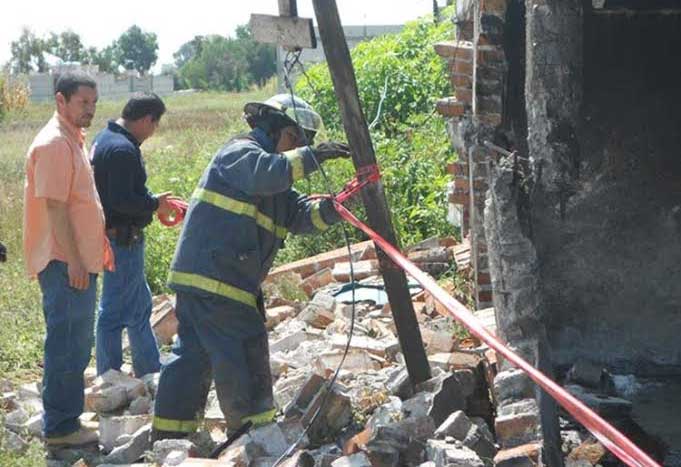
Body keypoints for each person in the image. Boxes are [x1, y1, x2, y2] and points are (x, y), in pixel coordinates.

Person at [151, 94, 351, 440]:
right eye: (294, 139)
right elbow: (267, 174)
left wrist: (341, 205)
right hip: (219, 280)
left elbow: (301, 214)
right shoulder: (241, 154)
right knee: (244, 350)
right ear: (273, 128)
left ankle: (171, 440)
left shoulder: (273, 179)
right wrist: (314, 156)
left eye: (303, 144)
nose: (296, 149)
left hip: (210, 279)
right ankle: (254, 437)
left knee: (193, 359)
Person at [23, 71, 112, 447]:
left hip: (75, 260)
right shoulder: (56, 144)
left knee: (74, 343)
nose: (90, 110)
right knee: (67, 343)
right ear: (61, 101)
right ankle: (60, 428)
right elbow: (56, 210)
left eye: (93, 102)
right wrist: (75, 260)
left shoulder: (72, 139)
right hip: (64, 262)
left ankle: (63, 415)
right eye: (83, 103)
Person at [91, 92, 178, 378]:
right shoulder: (122, 150)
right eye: (154, 124)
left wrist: (153, 200)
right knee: (116, 312)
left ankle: (147, 367)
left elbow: (118, 193)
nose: (153, 132)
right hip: (122, 240)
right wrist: (155, 204)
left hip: (117, 237)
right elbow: (121, 201)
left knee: (138, 304)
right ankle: (113, 374)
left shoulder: (105, 139)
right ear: (145, 120)